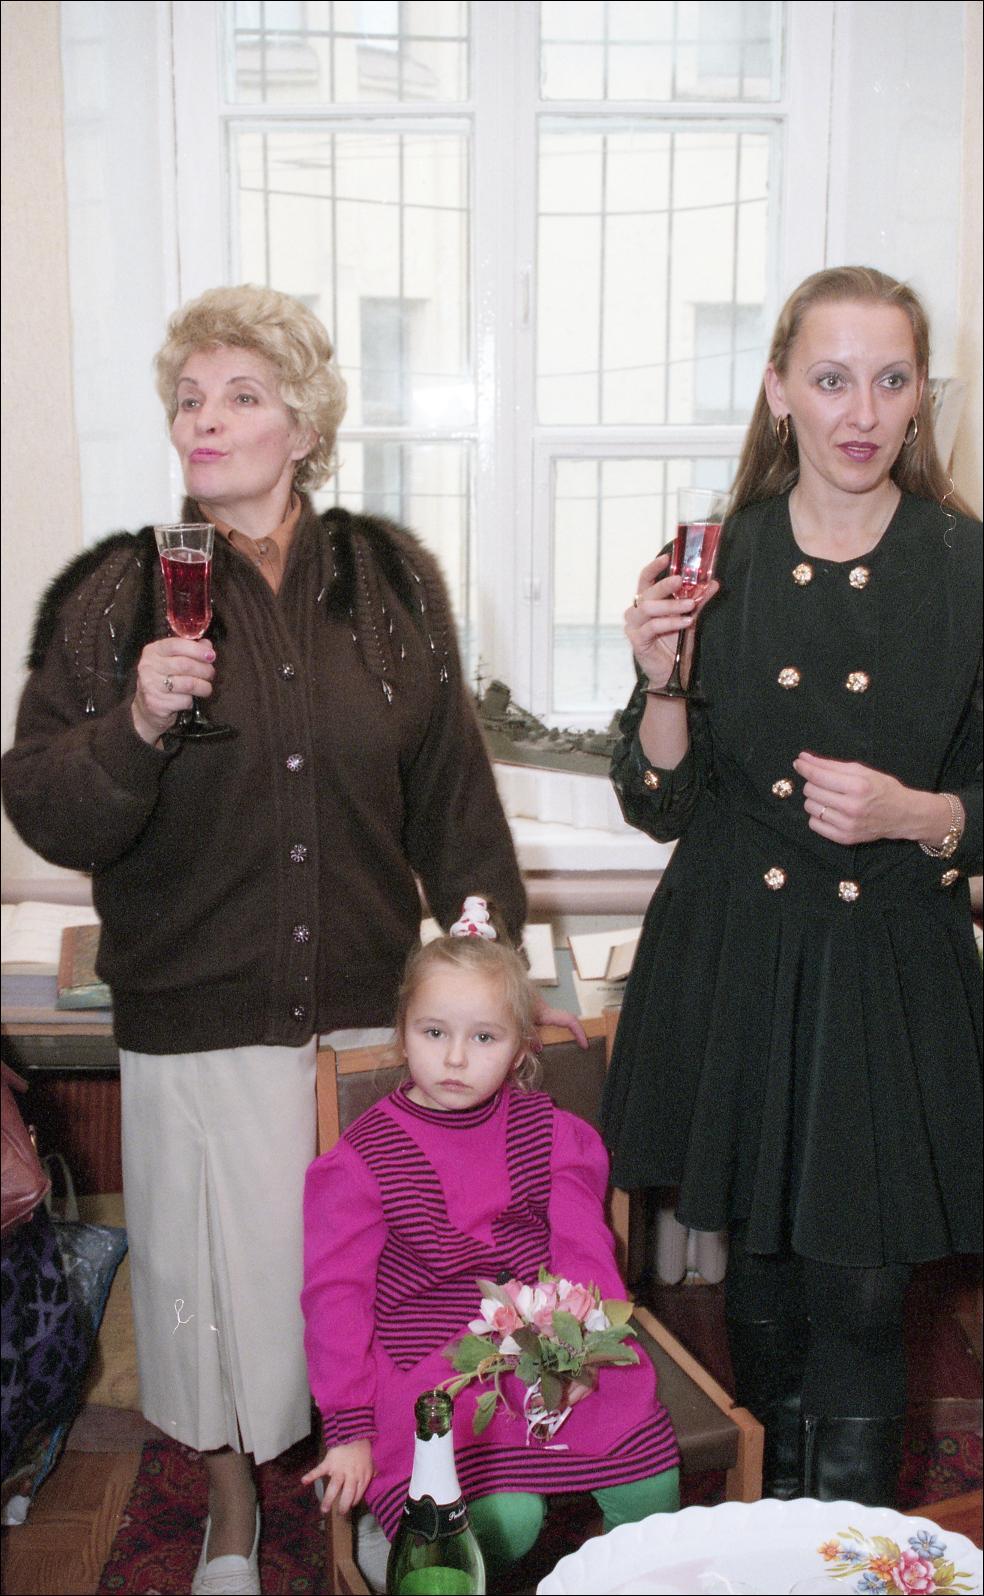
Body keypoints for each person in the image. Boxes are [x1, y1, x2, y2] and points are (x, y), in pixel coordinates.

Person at [0, 284, 552, 1595]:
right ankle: (234, 1508)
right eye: (189, 398)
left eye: (241, 395)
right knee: (218, 1296)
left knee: (390, 1281)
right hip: (198, 1014)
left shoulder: (389, 582)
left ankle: (399, 1488)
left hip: (368, 1014)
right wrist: (136, 724)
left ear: (303, 426)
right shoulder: (116, 593)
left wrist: (496, 966)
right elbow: (40, 799)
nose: (206, 418)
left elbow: (453, 793)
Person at [600, 266, 982, 1508]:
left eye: (890, 379)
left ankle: (853, 1559)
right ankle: (778, 1541)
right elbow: (660, 802)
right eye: (830, 379)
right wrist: (663, 679)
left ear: (920, 396)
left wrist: (919, 814)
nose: (861, 412)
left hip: (888, 963)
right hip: (743, 954)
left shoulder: (966, 566)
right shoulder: (718, 557)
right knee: (758, 1289)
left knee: (865, 1295)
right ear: (778, 391)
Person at [301, 928, 681, 1580]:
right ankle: (422, 1551)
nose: (455, 1058)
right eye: (434, 1032)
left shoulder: (551, 1132)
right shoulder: (362, 1159)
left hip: (547, 1334)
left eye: (484, 1037)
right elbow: (336, 1299)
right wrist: (349, 1429)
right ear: (402, 1033)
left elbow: (582, 1242)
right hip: (428, 1358)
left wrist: (582, 1339)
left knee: (650, 1488)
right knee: (505, 1522)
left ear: (521, 1047)